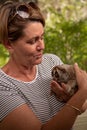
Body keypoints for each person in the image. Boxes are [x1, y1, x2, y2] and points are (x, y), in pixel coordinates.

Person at [0, 1, 87, 130]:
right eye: (32, 41)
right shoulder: (3, 85)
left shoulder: (51, 61)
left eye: (42, 37)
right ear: (9, 44)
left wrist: (68, 97)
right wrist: (83, 90)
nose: (42, 46)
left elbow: (82, 106)